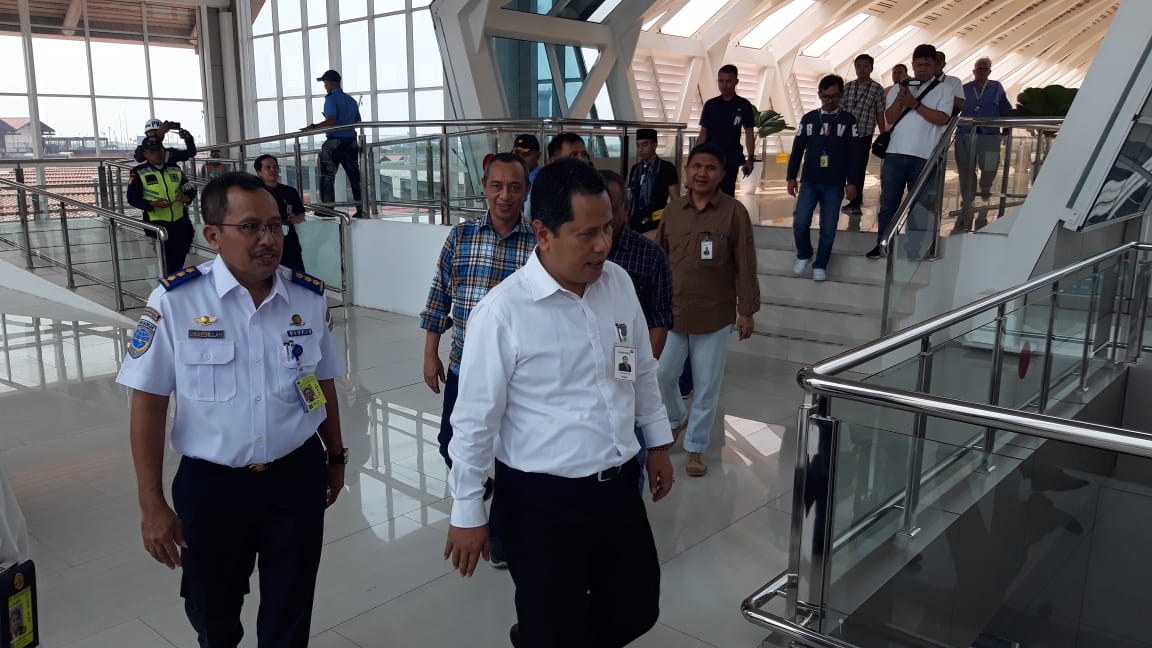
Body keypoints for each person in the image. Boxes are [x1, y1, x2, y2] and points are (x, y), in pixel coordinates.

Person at [444, 158, 674, 648]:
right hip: (541, 502)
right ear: (543, 233)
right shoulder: (503, 313)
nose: (603, 245)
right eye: (587, 233)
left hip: (616, 488)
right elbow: (473, 421)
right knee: (553, 621)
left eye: (608, 228)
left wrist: (656, 443)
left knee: (636, 605)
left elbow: (639, 370)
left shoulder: (618, 284)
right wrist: (467, 510)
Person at [116, 172, 346, 648]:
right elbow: (149, 404)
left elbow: (322, 382)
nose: (268, 239)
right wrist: (151, 503)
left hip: (295, 478)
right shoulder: (176, 301)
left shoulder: (307, 296)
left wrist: (336, 455)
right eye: (251, 227)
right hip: (213, 487)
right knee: (212, 611)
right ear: (213, 235)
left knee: (290, 606)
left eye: (275, 226)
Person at [420, 152, 536, 567]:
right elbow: (439, 297)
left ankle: (502, 538)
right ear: (485, 189)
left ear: (525, 191)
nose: (505, 196)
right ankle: (476, 487)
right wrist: (430, 353)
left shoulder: (538, 243)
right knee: (451, 443)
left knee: (510, 457)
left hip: (519, 374)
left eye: (515, 187)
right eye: (497, 186)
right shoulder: (461, 237)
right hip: (465, 365)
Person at [656, 143, 759, 477]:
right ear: (686, 171)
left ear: (722, 174)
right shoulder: (673, 211)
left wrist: (747, 310)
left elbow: (746, 263)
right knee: (662, 375)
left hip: (714, 315)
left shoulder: (733, 212)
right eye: (696, 166)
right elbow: (660, 258)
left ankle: (696, 447)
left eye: (710, 168)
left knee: (706, 384)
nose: (702, 173)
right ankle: (675, 419)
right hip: (674, 312)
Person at [603, 168, 673, 490]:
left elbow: (659, 319)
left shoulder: (649, 256)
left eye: (610, 208)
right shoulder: (570, 260)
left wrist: (632, 371)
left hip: (628, 365)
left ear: (625, 210)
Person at [867, 44, 954, 260]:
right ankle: (883, 244)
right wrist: (902, 98)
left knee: (921, 206)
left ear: (936, 65)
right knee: (888, 203)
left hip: (925, 156)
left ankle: (914, 249)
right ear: (912, 65)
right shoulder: (900, 88)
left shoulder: (945, 89)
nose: (922, 69)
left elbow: (942, 118)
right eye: (918, 65)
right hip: (895, 154)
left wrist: (915, 104)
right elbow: (890, 117)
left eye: (927, 65)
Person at [787, 75, 860, 282]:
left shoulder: (848, 121)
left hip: (834, 184)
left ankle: (821, 263)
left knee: (828, 227)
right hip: (809, 181)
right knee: (800, 222)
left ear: (841, 96)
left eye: (835, 97)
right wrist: (791, 177)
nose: (830, 101)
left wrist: (852, 182)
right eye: (826, 97)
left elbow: (854, 154)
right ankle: (804, 254)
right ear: (819, 95)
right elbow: (798, 149)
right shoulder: (809, 119)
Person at [954, 57, 1013, 232]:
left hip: (989, 133)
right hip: (966, 134)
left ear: (989, 71)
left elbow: (1005, 108)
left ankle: (985, 186)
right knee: (965, 168)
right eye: (978, 69)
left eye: (985, 68)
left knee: (990, 165)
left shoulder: (996, 87)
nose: (981, 71)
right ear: (973, 71)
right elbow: (954, 109)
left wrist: (1007, 127)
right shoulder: (965, 89)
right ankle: (968, 198)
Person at [127, 137, 196, 275]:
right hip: (157, 223)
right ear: (146, 154)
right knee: (168, 260)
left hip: (179, 220)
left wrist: (188, 197)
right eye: (152, 151)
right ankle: (169, 285)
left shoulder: (174, 169)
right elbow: (132, 198)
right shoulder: (139, 172)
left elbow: (189, 187)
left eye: (159, 150)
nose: (157, 153)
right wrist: (151, 204)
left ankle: (173, 280)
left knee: (181, 252)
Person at [301, 70, 363, 218]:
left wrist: (314, 127)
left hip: (334, 142)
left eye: (326, 83)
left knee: (327, 176)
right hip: (351, 141)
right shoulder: (351, 100)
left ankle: (328, 209)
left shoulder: (330, 100)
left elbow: (331, 120)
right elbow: (357, 121)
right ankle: (361, 208)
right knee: (354, 176)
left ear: (333, 83)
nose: (325, 86)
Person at [698, 64, 756, 196]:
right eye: (721, 81)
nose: (724, 85)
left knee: (726, 196)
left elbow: (749, 132)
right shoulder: (710, 105)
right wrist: (696, 157)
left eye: (728, 81)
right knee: (706, 194)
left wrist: (750, 158)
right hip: (710, 158)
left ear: (736, 82)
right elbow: (703, 133)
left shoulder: (743, 105)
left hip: (730, 159)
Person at [841, 54, 886, 217]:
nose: (862, 69)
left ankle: (855, 203)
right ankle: (845, 197)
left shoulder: (877, 89)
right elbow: (840, 110)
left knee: (858, 169)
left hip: (863, 136)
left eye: (866, 66)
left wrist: (883, 135)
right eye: (858, 66)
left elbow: (880, 113)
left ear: (871, 68)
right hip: (845, 135)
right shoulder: (848, 87)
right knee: (844, 167)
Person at [255, 154, 307, 273]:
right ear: (259, 172)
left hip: (289, 243)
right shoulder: (255, 194)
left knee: (296, 278)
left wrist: (295, 219)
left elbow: (301, 214)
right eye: (268, 168)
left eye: (275, 167)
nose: (273, 170)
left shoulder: (289, 191)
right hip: (265, 243)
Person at [626, 128, 680, 237]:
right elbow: (629, 197)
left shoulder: (666, 168)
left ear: (655, 145)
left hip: (656, 222)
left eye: (645, 145)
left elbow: (675, 200)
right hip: (634, 222)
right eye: (638, 145)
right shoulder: (635, 169)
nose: (640, 149)